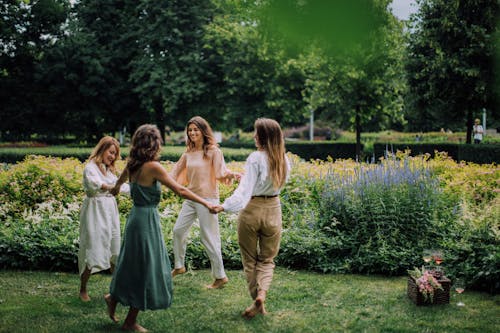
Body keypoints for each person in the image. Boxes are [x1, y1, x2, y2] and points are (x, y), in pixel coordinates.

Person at [105, 124, 217, 332]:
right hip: (146, 220)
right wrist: (206, 203)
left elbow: (119, 183)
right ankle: (129, 322)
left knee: (133, 263)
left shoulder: (133, 164)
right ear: (154, 143)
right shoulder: (153, 167)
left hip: (135, 219)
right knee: (146, 268)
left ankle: (113, 297)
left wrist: (114, 190)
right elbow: (181, 190)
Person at [213, 118, 291, 319]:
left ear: (264, 137)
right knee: (267, 259)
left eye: (257, 133)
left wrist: (224, 206)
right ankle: (261, 297)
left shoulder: (255, 157)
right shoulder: (284, 159)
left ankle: (256, 298)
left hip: (251, 209)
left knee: (250, 260)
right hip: (273, 208)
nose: (254, 136)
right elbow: (276, 184)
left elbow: (245, 191)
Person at [170, 116, 241, 289]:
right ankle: (179, 266)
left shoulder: (214, 151)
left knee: (209, 238)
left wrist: (231, 174)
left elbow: (220, 172)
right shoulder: (188, 153)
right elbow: (173, 173)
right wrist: (156, 181)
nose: (192, 132)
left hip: (208, 199)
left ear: (203, 131)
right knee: (178, 231)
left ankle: (220, 276)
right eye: (190, 130)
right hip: (191, 198)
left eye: (196, 129)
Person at [78, 136, 129, 302]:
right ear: (102, 149)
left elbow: (121, 186)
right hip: (95, 212)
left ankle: (116, 290)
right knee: (93, 247)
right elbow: (95, 184)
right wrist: (112, 187)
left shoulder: (108, 170)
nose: (113, 156)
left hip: (109, 211)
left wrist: (138, 187)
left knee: (114, 248)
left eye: (115, 154)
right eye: (111, 152)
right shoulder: (90, 168)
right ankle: (83, 288)